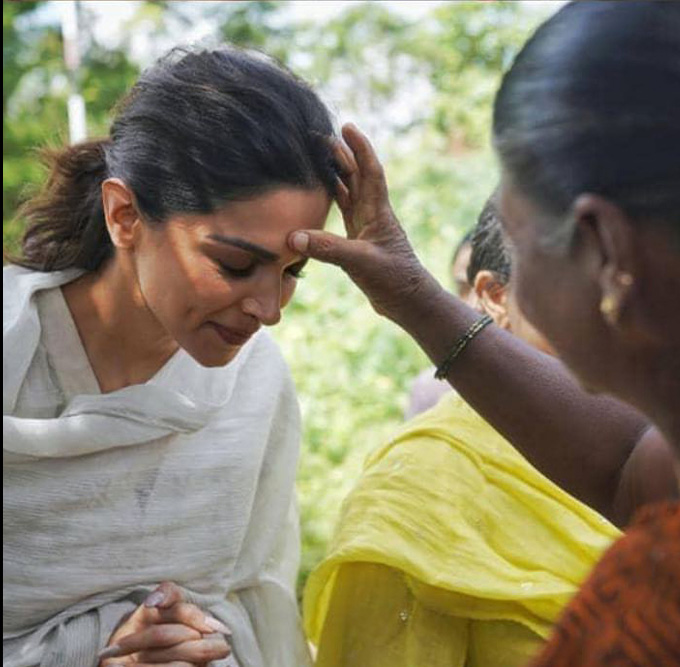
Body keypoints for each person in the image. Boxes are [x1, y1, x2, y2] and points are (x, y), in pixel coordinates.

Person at [286, 3, 680, 663]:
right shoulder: (428, 480)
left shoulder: (647, 604)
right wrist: (415, 298)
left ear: (605, 248)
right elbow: (627, 467)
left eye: (519, 238)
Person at [3, 46, 344, 667]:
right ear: (124, 215)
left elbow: (254, 596)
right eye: (235, 265)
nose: (269, 309)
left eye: (294, 271)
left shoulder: (258, 380)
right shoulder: (5, 349)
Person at [303, 196, 620, 667]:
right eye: (579, 284)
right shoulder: (419, 491)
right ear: (494, 296)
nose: (614, 309)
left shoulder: (658, 450)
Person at [403, 228, 474, 418]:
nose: (475, 303)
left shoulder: (551, 383)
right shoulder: (432, 390)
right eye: (464, 288)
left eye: (491, 288)